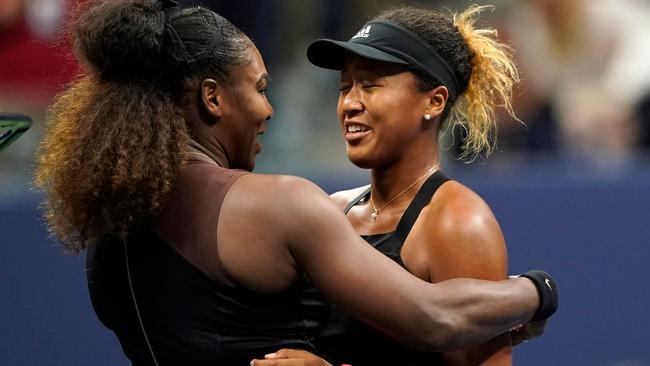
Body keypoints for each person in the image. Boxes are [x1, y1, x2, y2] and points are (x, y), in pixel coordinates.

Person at [34, 1, 557, 365]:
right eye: (260, 87)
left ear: (434, 101)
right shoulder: (295, 206)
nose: (269, 108)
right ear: (213, 98)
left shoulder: (112, 221)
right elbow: (436, 318)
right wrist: (538, 292)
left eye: (371, 85)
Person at [256, 5, 542, 366]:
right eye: (345, 87)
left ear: (433, 101)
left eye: (371, 85)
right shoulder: (333, 208)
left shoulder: (458, 224)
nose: (350, 104)